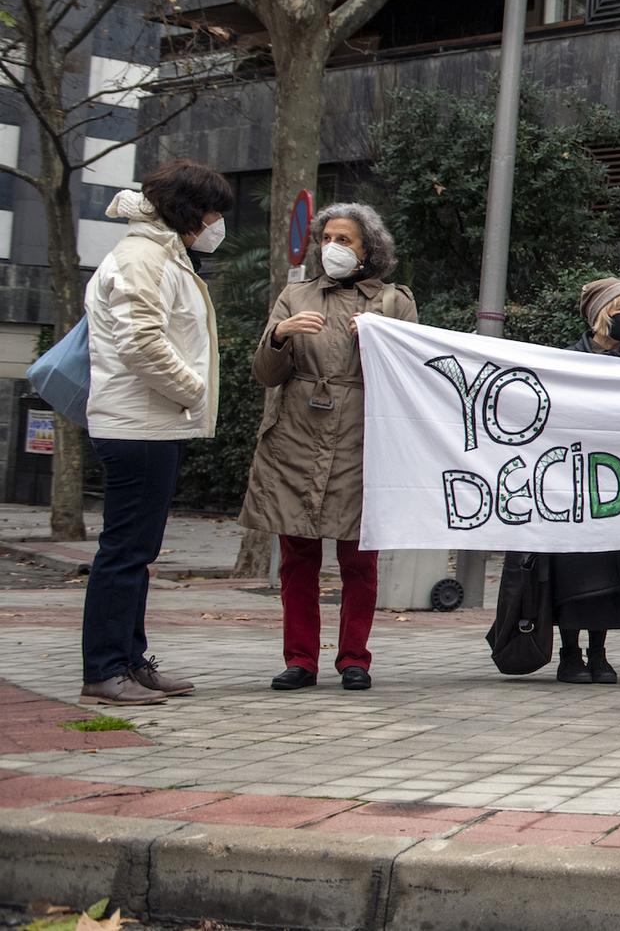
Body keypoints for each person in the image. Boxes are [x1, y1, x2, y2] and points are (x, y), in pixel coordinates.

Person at [79, 161, 235, 706]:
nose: (217, 223)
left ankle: (127, 659)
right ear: (190, 209)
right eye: (213, 211)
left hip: (150, 421)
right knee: (124, 552)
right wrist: (195, 391)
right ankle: (104, 669)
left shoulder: (160, 254)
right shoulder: (143, 257)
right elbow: (141, 342)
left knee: (135, 551)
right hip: (138, 424)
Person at [243, 204, 417, 692]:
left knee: (359, 558)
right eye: (327, 238)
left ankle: (354, 659)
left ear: (368, 250)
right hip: (295, 433)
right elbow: (264, 374)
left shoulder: (392, 301)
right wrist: (280, 335)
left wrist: (378, 341)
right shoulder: (295, 295)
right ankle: (300, 659)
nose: (333, 248)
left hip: (362, 437)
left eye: (346, 240)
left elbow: (410, 375)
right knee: (296, 555)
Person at [518, 277, 620, 685]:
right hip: (571, 487)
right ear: (599, 315)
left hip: (615, 488)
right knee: (573, 570)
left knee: (611, 570)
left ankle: (599, 652)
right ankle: (570, 654)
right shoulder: (566, 364)